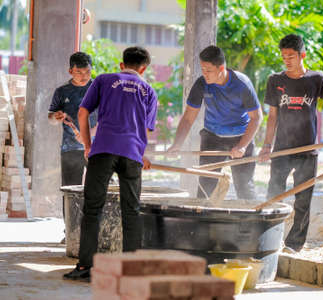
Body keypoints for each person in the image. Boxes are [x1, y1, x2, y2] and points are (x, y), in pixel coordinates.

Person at [63, 46, 157, 282]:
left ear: (121, 65)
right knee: (132, 212)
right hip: (132, 155)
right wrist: (140, 153)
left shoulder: (104, 80)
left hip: (103, 149)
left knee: (93, 209)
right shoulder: (149, 91)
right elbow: (145, 131)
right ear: (143, 69)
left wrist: (87, 145)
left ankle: (85, 267)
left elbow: (83, 113)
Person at [259, 34, 323, 253]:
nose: (287, 60)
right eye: (283, 56)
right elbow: (272, 117)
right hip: (281, 150)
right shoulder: (275, 80)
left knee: (303, 200)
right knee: (273, 195)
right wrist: (266, 146)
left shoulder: (316, 79)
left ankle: (294, 244)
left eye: (291, 56)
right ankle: (269, 238)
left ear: (302, 55)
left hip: (308, 151)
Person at [168, 45, 262, 200]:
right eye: (202, 69)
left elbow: (256, 117)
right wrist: (177, 144)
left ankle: (250, 223)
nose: (204, 74)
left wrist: (242, 146)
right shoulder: (201, 84)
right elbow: (188, 118)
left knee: (244, 187)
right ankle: (201, 221)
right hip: (212, 137)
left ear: (221, 68)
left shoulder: (242, 84)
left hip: (241, 137)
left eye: (208, 70)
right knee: (205, 188)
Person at [48, 52, 97, 243]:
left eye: (87, 71)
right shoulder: (62, 92)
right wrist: (56, 117)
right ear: (70, 71)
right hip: (70, 148)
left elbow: (108, 117)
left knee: (96, 190)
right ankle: (70, 232)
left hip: (96, 148)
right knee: (70, 191)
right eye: (79, 72)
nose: (84, 76)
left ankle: (93, 232)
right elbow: (51, 117)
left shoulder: (99, 88)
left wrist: (90, 134)